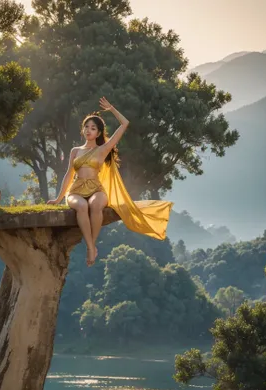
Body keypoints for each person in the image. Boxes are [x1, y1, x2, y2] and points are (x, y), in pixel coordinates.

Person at [48, 97, 173, 266]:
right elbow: (69, 174)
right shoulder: (75, 151)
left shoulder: (103, 149)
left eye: (93, 128)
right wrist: (57, 198)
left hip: (96, 189)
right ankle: (91, 247)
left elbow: (125, 124)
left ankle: (91, 247)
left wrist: (112, 109)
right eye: (86, 126)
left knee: (95, 205)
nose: (89, 130)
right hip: (76, 190)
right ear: (82, 130)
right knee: (82, 206)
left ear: (99, 133)